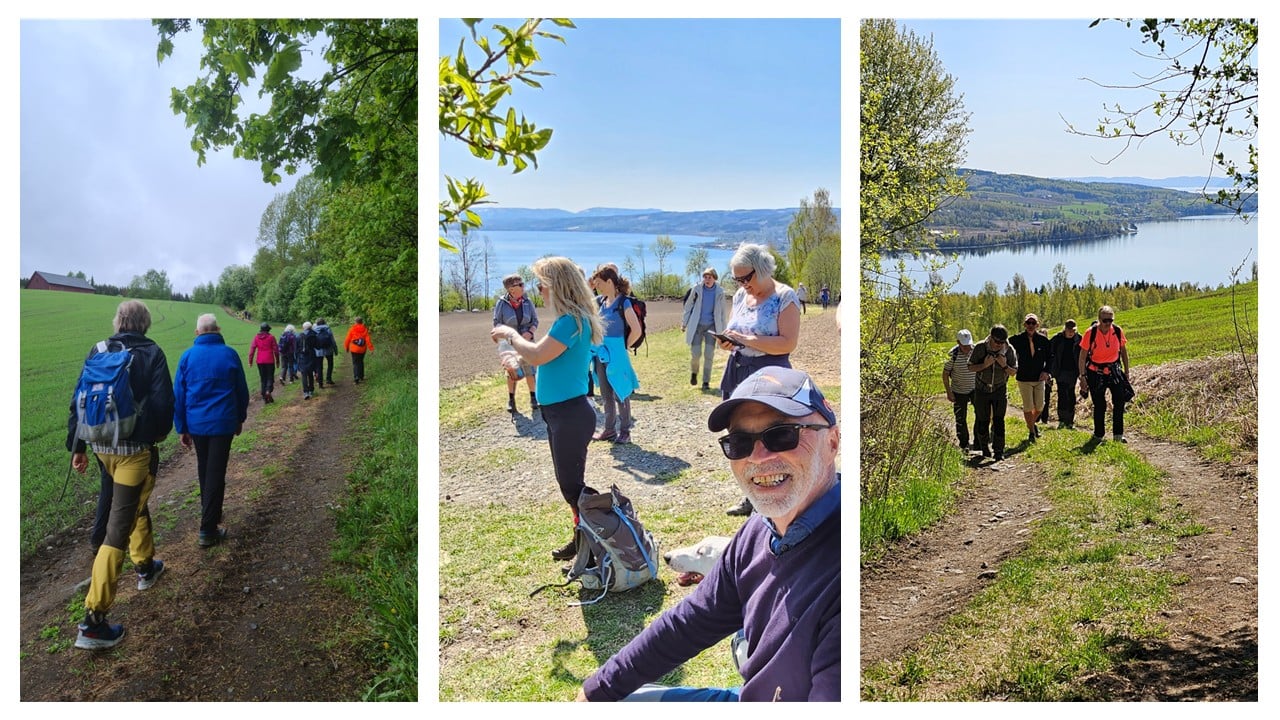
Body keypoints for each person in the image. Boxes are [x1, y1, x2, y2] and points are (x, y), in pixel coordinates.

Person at [577, 366, 840, 702]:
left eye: (782, 435)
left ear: (832, 442)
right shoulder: (758, 532)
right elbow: (691, 621)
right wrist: (597, 689)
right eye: (739, 442)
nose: (759, 457)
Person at [65, 299, 174, 650]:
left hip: (101, 447)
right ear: (144, 323)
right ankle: (93, 621)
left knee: (134, 504)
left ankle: (145, 566)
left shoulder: (98, 349)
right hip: (133, 454)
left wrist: (77, 447)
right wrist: (154, 436)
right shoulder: (152, 353)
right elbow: (163, 404)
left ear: (118, 321)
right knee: (117, 530)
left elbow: (78, 400)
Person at [490, 257, 602, 562]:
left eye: (542, 284)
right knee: (569, 485)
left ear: (558, 286)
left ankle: (597, 539)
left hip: (569, 414)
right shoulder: (571, 320)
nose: (538, 290)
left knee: (572, 486)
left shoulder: (570, 321)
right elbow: (547, 359)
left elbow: (538, 355)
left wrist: (511, 335)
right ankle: (583, 539)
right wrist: (516, 359)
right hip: (561, 413)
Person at [717, 242, 801, 517]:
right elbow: (733, 330)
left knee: (767, 438)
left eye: (746, 278)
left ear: (763, 269)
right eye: (737, 280)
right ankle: (750, 496)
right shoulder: (741, 296)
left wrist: (747, 340)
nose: (742, 285)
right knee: (739, 436)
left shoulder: (785, 297)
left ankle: (775, 495)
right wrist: (727, 341)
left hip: (769, 373)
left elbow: (788, 343)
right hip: (738, 369)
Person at [173, 313, 250, 548]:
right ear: (218, 329)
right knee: (216, 471)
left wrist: (182, 427)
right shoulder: (229, 354)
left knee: (205, 469)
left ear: (197, 333)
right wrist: (240, 418)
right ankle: (208, 529)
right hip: (223, 423)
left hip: (197, 424)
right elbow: (242, 391)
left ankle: (211, 513)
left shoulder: (187, 356)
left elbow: (179, 396)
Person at [588, 265, 642, 444]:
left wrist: (623, 346)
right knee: (605, 393)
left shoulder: (623, 303)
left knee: (621, 391)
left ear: (609, 282)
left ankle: (625, 431)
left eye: (599, 283)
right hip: (600, 353)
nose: (597, 287)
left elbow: (636, 329)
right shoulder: (600, 302)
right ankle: (609, 430)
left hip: (616, 354)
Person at [1077, 305, 1131, 443]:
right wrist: (1082, 377)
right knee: (1099, 404)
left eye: (1110, 320)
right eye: (1105, 320)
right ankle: (1098, 435)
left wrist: (1126, 372)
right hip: (1095, 372)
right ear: (1099, 319)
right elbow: (1082, 356)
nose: (1108, 323)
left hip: (1114, 371)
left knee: (1119, 402)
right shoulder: (1090, 333)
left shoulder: (1117, 331)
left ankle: (1118, 435)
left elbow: (1124, 352)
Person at [967, 324, 1018, 461]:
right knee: (982, 420)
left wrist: (1004, 365)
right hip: (982, 388)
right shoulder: (980, 347)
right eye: (996, 342)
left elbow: (1013, 372)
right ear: (990, 337)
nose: (999, 345)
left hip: (999, 388)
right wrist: (984, 365)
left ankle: (999, 451)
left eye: (1002, 342)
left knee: (999, 421)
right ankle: (984, 448)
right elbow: (970, 367)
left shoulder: (1009, 350)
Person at [492, 274, 539, 412]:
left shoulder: (527, 302)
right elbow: (497, 323)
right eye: (520, 284)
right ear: (511, 289)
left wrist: (530, 332)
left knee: (530, 370)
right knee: (512, 371)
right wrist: (507, 334)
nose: (523, 286)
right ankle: (511, 400)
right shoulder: (501, 303)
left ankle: (533, 398)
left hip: (526, 340)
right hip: (509, 343)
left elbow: (535, 321)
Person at [680, 267, 729, 391]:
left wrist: (723, 331)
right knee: (695, 354)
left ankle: (706, 382)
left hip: (711, 327)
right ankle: (694, 373)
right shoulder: (697, 289)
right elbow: (688, 306)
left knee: (709, 355)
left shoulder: (720, 292)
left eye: (709, 277)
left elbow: (723, 313)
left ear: (714, 278)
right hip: (697, 325)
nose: (707, 280)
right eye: (705, 277)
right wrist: (684, 323)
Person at [1008, 313, 1051, 443]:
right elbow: (1004, 345)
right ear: (1024, 324)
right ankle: (1032, 432)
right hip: (1024, 378)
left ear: (1037, 325)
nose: (1031, 325)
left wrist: (1046, 371)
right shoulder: (1017, 339)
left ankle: (1031, 424)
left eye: (1033, 323)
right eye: (1028, 323)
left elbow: (1050, 358)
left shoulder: (1043, 340)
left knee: (1040, 406)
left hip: (1039, 378)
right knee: (1028, 407)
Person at [941, 329, 977, 451]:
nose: (967, 348)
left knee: (981, 415)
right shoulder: (953, 355)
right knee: (960, 418)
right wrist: (949, 392)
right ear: (958, 342)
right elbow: (945, 374)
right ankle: (964, 443)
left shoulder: (976, 351)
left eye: (968, 345)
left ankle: (979, 441)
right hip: (958, 390)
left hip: (975, 389)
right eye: (964, 346)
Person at [1049, 319, 1083, 429]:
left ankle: (1070, 420)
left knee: (1071, 394)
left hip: (1073, 371)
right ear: (1065, 329)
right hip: (1060, 371)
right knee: (1062, 393)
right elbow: (1049, 352)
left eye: (1073, 330)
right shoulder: (1057, 339)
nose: (1071, 332)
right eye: (1069, 330)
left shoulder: (1079, 339)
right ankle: (1062, 419)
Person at [248, 321, 279, 403]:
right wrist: (277, 361)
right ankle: (268, 391)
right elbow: (276, 350)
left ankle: (264, 396)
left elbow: (252, 350)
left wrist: (250, 361)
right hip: (269, 360)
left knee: (263, 378)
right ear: (268, 330)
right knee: (270, 377)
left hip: (260, 361)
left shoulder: (256, 337)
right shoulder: (271, 337)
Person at [344, 316, 375, 385]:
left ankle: (356, 378)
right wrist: (371, 348)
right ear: (362, 322)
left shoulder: (352, 329)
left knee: (355, 363)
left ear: (355, 322)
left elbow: (347, 339)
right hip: (362, 349)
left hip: (354, 349)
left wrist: (346, 347)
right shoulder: (365, 329)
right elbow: (368, 340)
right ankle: (361, 376)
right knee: (360, 361)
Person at [314, 317, 337, 386]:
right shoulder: (328, 329)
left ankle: (320, 383)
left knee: (319, 366)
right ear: (324, 322)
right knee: (330, 364)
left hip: (318, 351)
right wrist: (335, 350)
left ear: (317, 323)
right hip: (328, 349)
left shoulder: (314, 330)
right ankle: (328, 379)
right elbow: (332, 340)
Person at [298, 321, 318, 400]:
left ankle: (305, 392)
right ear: (311, 327)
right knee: (310, 373)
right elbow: (318, 346)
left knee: (304, 374)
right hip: (311, 356)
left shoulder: (299, 336)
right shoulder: (313, 335)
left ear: (303, 328)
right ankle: (311, 390)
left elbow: (296, 348)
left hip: (302, 357)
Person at [1037, 326, 1052, 424]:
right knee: (1037, 399)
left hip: (1047, 377)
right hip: (1037, 377)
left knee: (1046, 398)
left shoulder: (1049, 347)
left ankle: (1045, 418)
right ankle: (1037, 417)